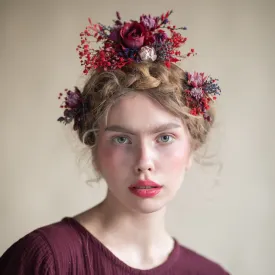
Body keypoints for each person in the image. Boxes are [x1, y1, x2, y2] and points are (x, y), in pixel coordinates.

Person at [0, 10, 230, 275]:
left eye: (165, 138)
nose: (144, 162)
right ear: (94, 146)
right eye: (122, 138)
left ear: (192, 148)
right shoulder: (45, 260)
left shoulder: (211, 273)